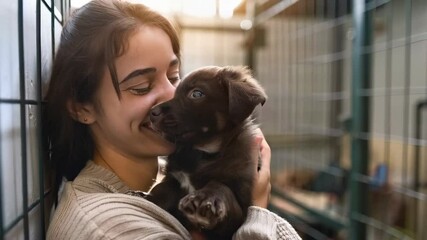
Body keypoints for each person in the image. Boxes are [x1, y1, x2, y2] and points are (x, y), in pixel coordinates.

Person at [44, 0, 301, 239]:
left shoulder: (169, 176)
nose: (170, 95)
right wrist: (258, 213)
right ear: (81, 108)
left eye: (174, 76)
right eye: (141, 87)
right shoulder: (110, 228)